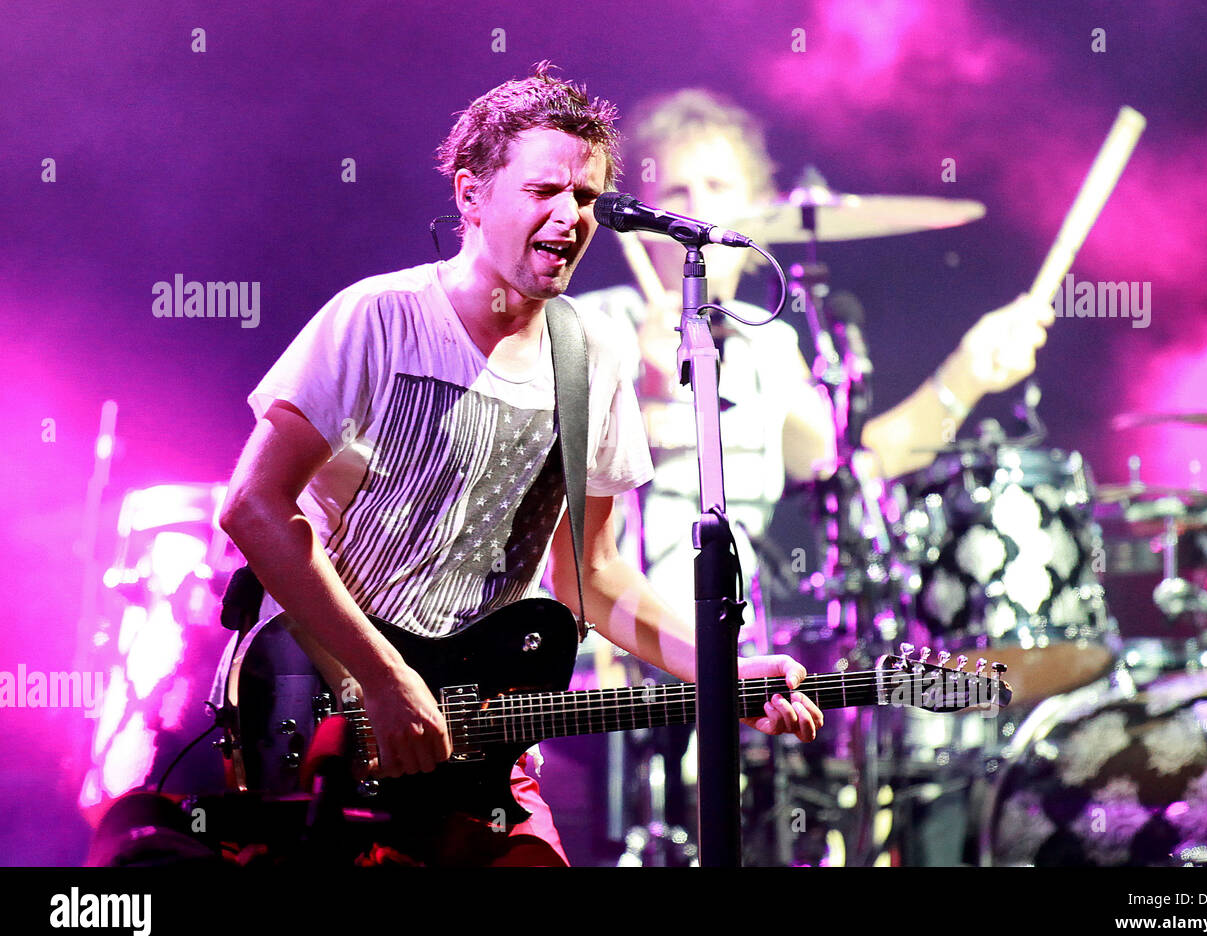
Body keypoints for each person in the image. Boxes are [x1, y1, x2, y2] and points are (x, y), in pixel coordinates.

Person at [215, 65, 823, 867]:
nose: (570, 217)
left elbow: (594, 575)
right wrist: (387, 680)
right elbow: (253, 507)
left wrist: (724, 672)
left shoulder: (589, 358)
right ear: (470, 197)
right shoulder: (378, 319)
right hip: (326, 703)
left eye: (587, 198)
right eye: (544, 192)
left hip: (474, 729)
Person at [577, 89, 1053, 624]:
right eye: (676, 191)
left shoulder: (766, 344)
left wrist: (965, 375)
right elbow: (543, 482)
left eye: (717, 186)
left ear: (757, 209)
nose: (698, 208)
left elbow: (849, 469)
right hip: (604, 652)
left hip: (729, 644)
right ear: (641, 220)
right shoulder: (593, 326)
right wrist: (650, 395)